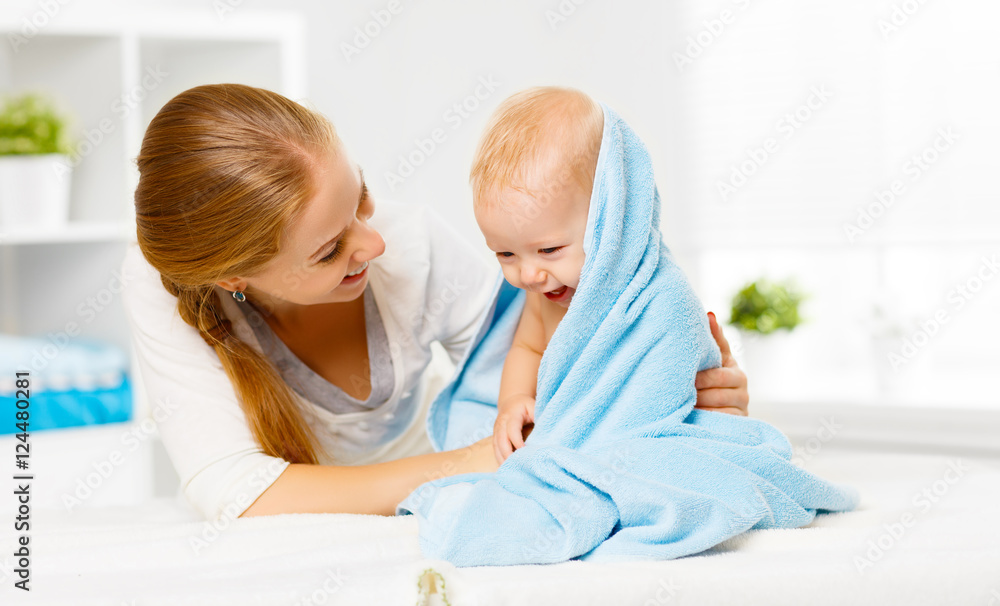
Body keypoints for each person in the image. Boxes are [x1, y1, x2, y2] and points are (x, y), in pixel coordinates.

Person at [122, 83, 750, 521]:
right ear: (236, 278)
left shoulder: (412, 244)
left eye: (361, 197)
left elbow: (557, 359)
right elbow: (235, 492)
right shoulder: (166, 285)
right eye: (328, 250)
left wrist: (678, 393)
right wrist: (473, 463)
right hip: (451, 474)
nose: (373, 241)